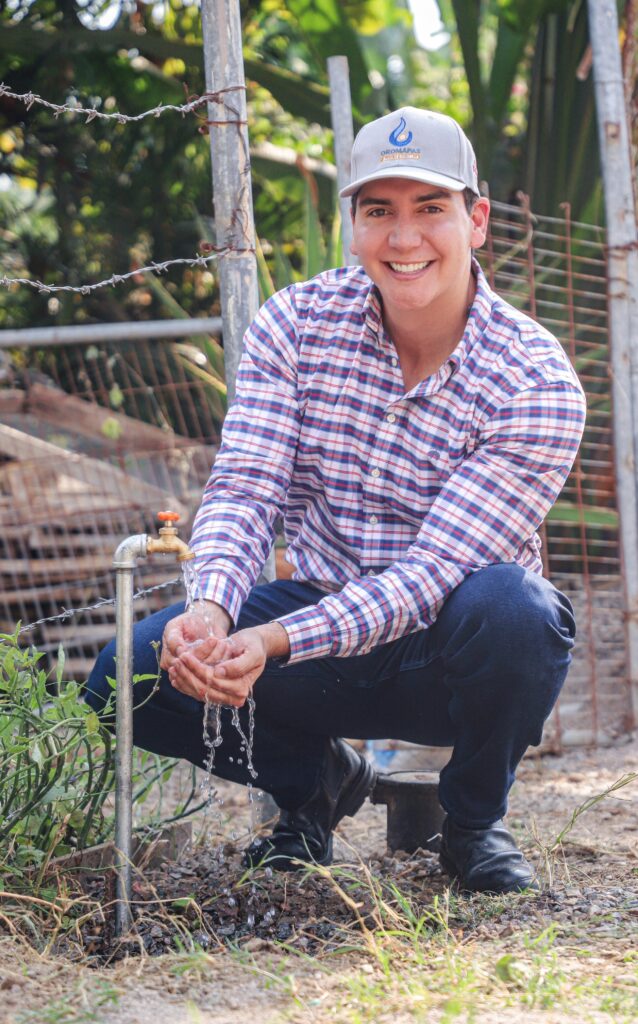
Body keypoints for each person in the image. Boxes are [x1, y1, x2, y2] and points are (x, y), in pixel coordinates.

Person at [87, 107, 586, 894]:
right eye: (378, 210)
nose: (404, 237)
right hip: (316, 619)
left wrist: (271, 640)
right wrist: (211, 612)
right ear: (353, 226)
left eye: (431, 208)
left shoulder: (537, 380)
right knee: (129, 673)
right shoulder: (295, 324)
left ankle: (472, 821)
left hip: (445, 652)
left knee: (519, 612)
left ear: (478, 220)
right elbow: (247, 487)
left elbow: (430, 576)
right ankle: (314, 783)